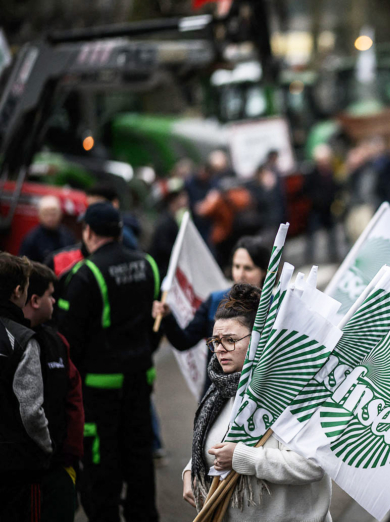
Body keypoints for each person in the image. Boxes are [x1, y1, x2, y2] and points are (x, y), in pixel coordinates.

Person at [182, 284, 332, 520]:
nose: (219, 350)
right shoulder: (220, 387)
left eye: (230, 340)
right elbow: (218, 440)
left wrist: (244, 458)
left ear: (259, 341)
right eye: (215, 340)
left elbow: (313, 465)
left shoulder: (294, 390)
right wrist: (191, 469)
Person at [55, 202, 161, 522]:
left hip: (99, 392)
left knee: (101, 466)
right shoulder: (149, 266)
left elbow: (68, 341)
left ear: (88, 232)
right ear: (119, 230)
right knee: (140, 457)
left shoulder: (83, 275)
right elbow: (156, 327)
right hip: (141, 381)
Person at [22, 262, 84, 522]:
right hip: (29, 469)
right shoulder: (15, 343)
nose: (55, 301)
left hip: (60, 464)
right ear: (35, 300)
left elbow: (73, 399)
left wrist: (69, 455)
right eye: (50, 294)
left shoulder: (56, 342)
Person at [153, 236, 271, 357]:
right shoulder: (215, 301)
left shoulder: (275, 307)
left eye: (248, 268)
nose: (240, 274)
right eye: (236, 266)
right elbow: (184, 341)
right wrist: (167, 316)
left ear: (264, 272)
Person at [1, 253, 53, 522]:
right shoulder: (23, 340)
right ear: (19, 291)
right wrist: (46, 446)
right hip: (17, 465)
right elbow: (31, 411)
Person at [303, 144, 340, 263]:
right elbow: (306, 190)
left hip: (328, 208)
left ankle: (334, 256)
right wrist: (316, 199)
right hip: (316, 208)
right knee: (312, 236)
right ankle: (309, 259)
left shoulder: (331, 172)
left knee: (332, 234)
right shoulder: (312, 173)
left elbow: (336, 187)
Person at [149, 178, 190, 280]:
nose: (186, 199)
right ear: (174, 200)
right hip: (163, 273)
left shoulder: (171, 219)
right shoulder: (166, 223)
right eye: (183, 196)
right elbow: (164, 249)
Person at [19, 195, 75, 263]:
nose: (50, 218)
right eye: (46, 214)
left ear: (60, 214)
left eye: (53, 214)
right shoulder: (31, 239)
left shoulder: (68, 236)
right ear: (39, 215)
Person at [86, 183, 141, 250]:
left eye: (99, 205)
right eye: (90, 207)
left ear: (115, 203)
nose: (93, 211)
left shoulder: (125, 234)